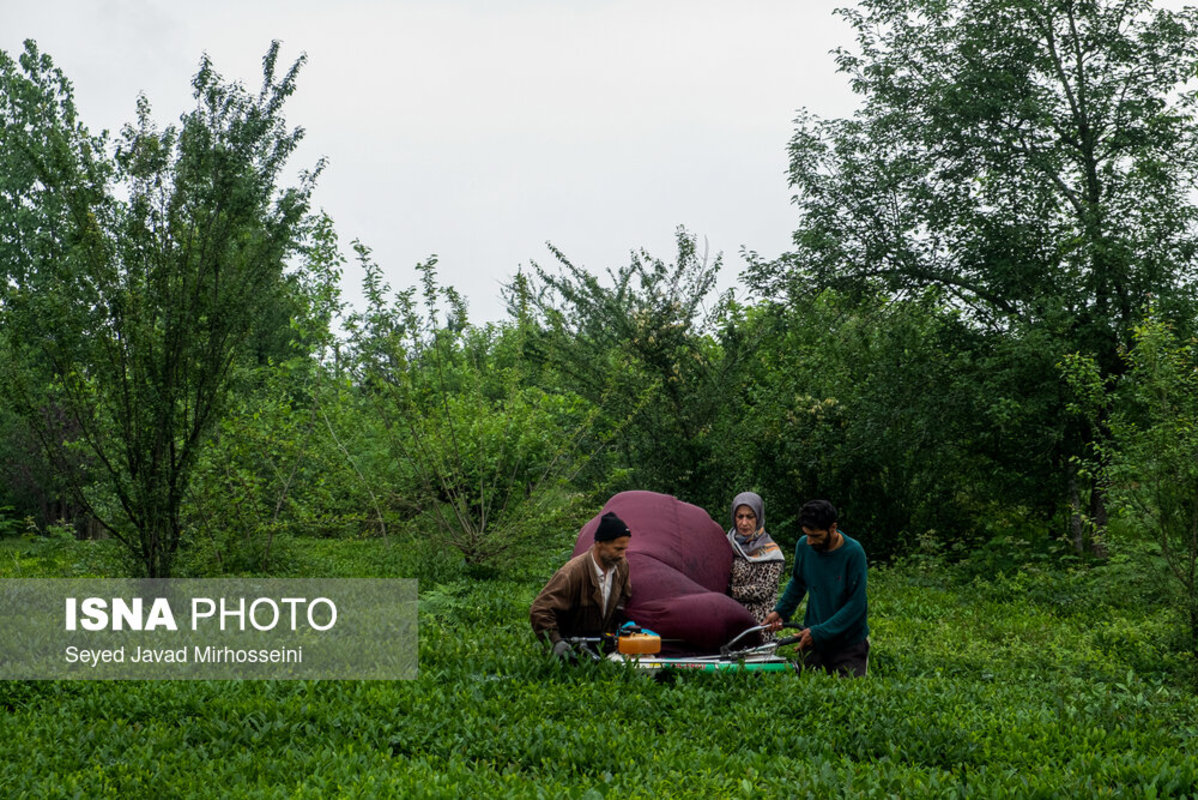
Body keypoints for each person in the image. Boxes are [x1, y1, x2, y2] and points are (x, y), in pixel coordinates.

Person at [763, 499, 869, 677]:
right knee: (808, 688)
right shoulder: (804, 546)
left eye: (816, 536)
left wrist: (820, 632)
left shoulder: (853, 553)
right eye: (807, 534)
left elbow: (856, 605)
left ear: (832, 528)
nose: (810, 541)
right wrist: (781, 611)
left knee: (848, 694)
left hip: (848, 643)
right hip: (814, 639)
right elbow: (798, 582)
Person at [529, 511, 633, 660]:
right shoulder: (572, 572)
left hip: (603, 647)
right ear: (599, 543)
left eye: (624, 549)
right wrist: (556, 642)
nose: (623, 554)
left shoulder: (621, 566)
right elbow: (540, 610)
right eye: (618, 549)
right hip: (572, 651)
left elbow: (624, 594)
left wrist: (619, 616)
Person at [725, 491, 785, 634]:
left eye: (750, 517)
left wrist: (728, 591)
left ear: (758, 518)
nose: (744, 523)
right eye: (740, 516)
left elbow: (762, 590)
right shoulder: (727, 545)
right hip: (731, 623)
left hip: (759, 626)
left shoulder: (771, 552)